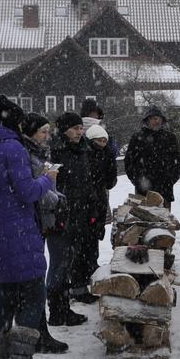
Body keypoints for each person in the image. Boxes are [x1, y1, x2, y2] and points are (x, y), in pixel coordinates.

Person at [0, 95, 58, 359]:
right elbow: (28, 192)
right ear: (11, 121)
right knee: (34, 295)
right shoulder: (13, 148)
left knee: (5, 299)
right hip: (19, 233)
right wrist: (48, 178)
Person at [20, 113, 69, 353]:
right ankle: (37, 334)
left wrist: (55, 195)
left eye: (48, 131)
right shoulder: (26, 155)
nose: (47, 136)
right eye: (43, 132)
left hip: (41, 219)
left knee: (37, 276)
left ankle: (40, 332)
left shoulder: (38, 153)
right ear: (30, 133)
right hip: (32, 220)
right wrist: (55, 200)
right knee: (35, 279)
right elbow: (33, 188)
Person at [48, 112, 102, 320]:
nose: (80, 132)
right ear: (64, 130)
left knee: (75, 257)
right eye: (75, 128)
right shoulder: (56, 152)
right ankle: (57, 309)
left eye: (81, 128)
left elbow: (87, 183)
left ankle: (69, 302)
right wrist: (62, 209)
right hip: (61, 213)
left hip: (81, 212)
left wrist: (92, 209)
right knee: (59, 263)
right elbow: (53, 186)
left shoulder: (82, 150)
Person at [73, 123, 119, 298]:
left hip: (97, 203)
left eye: (105, 140)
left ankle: (91, 279)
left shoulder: (105, 154)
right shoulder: (85, 155)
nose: (103, 143)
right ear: (92, 140)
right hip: (85, 206)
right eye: (100, 140)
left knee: (92, 243)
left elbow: (110, 181)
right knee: (82, 246)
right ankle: (80, 285)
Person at [124, 105, 180, 208]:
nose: (157, 121)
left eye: (159, 118)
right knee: (143, 221)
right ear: (147, 120)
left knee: (164, 222)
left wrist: (171, 179)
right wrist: (137, 181)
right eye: (153, 118)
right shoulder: (137, 138)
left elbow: (178, 160)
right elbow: (129, 162)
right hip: (143, 191)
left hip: (164, 189)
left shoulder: (169, 138)